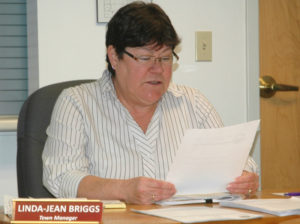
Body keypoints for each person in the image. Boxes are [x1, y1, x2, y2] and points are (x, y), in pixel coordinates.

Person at [42, 1, 259, 205]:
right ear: (114, 57)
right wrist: (123, 190)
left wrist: (245, 179)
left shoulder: (193, 102)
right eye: (145, 58)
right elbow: (60, 177)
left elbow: (238, 161)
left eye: (165, 58)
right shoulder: (77, 104)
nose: (157, 69)